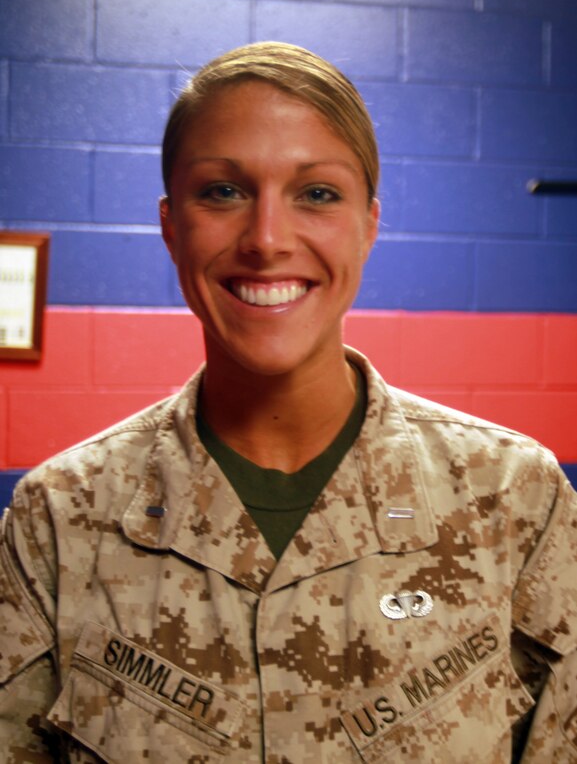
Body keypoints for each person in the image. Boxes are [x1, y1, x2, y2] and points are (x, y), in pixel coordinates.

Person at [1, 41, 576, 763]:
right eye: (222, 191)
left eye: (317, 194)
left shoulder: (514, 500)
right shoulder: (59, 518)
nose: (267, 239)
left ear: (369, 224)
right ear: (171, 226)